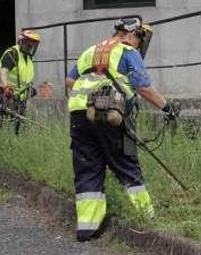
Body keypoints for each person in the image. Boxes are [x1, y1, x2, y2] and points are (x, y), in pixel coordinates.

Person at [67, 17, 180, 242]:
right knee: (126, 163)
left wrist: (92, 96)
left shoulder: (90, 51)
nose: (139, 43)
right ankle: (147, 218)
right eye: (139, 37)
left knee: (88, 167)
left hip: (79, 115)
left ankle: (88, 228)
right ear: (130, 34)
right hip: (110, 117)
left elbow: (70, 81)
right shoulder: (129, 52)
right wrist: (167, 107)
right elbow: (143, 87)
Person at [0, 29, 41, 135]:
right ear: (22, 42)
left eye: (32, 45)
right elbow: (3, 72)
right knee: (5, 125)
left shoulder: (28, 57)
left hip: (19, 97)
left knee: (17, 127)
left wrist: (31, 90)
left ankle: (13, 143)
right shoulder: (12, 54)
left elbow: (24, 80)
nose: (31, 47)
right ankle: (1, 143)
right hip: (5, 94)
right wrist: (6, 87)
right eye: (29, 45)